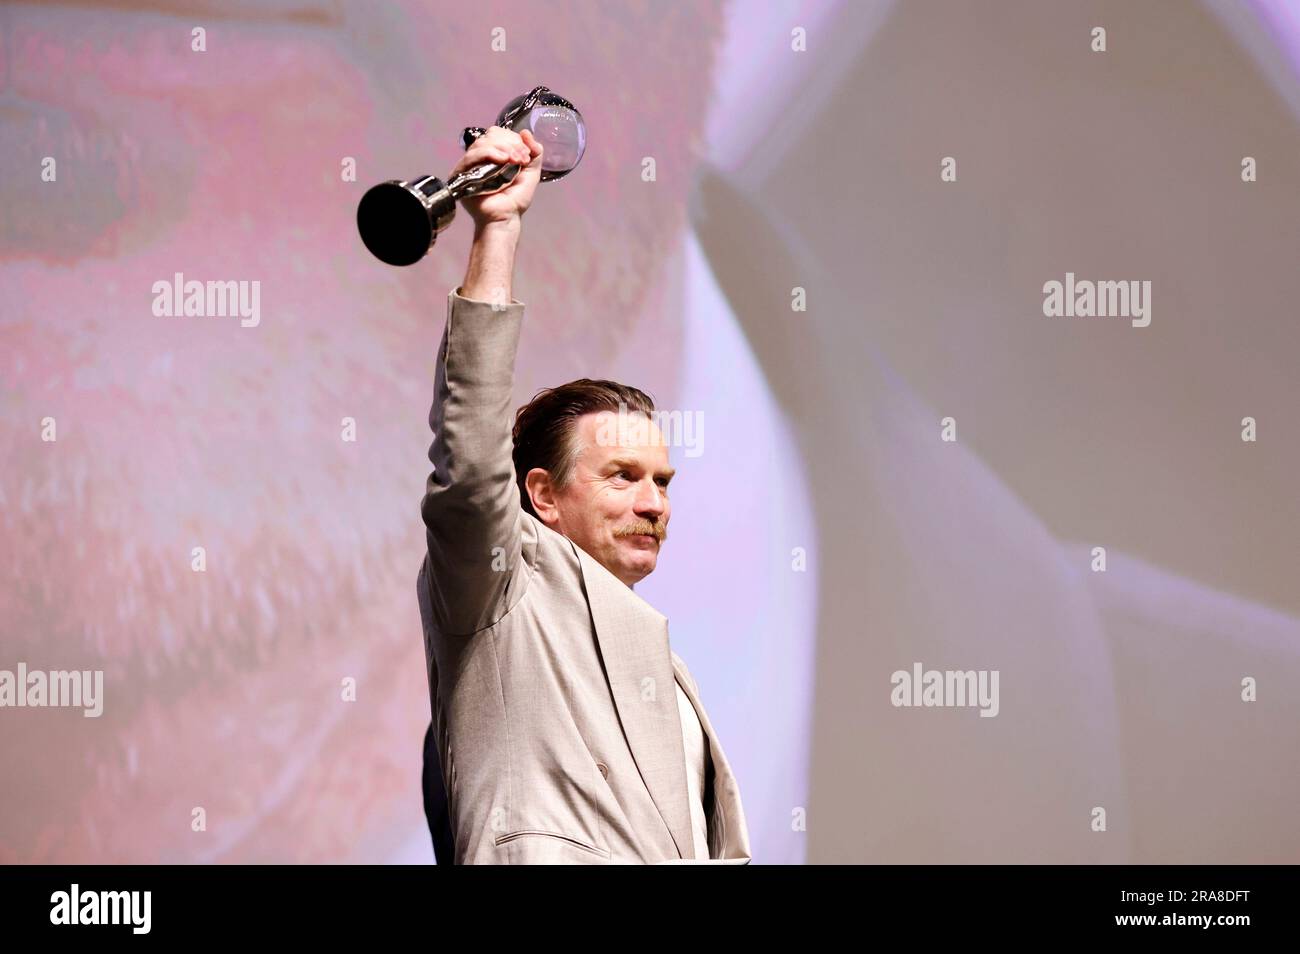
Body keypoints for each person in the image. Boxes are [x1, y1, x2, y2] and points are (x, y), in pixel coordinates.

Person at [417, 125, 750, 864]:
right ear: (541, 495)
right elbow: (471, 467)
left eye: (661, 481)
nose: (656, 503)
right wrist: (498, 231)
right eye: (622, 477)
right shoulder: (501, 595)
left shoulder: (665, 666)